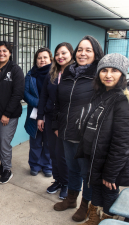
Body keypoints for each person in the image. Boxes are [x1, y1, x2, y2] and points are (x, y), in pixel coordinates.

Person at [52, 35, 104, 222]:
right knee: (72, 168)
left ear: (96, 53)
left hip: (87, 134)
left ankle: (86, 205)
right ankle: (72, 199)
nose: (83, 53)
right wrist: (57, 124)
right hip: (66, 130)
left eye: (88, 50)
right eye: (80, 50)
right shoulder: (67, 73)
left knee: (86, 173)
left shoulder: (100, 75)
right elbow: (58, 102)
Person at [76, 53, 129, 225]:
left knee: (108, 192)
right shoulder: (101, 95)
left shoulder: (122, 101)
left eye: (114, 70)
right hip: (96, 159)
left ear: (122, 74)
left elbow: (122, 143)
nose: (108, 75)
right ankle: (94, 218)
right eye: (104, 70)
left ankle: (107, 219)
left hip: (110, 164)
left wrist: (111, 173)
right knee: (96, 189)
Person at [37, 43, 73, 199]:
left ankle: (66, 184)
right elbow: (43, 96)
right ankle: (57, 180)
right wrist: (40, 117)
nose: (60, 56)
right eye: (58, 53)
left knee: (63, 155)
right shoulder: (51, 73)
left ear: (71, 54)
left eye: (63, 53)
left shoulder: (74, 74)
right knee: (53, 153)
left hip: (66, 120)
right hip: (50, 118)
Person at [0, 41, 24, 184]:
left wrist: (7, 113)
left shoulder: (15, 69)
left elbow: (18, 93)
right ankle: (3, 163)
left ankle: (7, 169)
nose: (1, 53)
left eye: (4, 51)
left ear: (9, 53)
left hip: (7, 114)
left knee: (4, 141)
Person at [24, 47, 53, 177]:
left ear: (50, 59)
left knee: (48, 142)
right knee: (35, 141)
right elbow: (24, 93)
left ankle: (48, 166)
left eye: (45, 57)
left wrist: (46, 105)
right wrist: (39, 103)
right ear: (36, 60)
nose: (42, 60)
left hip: (51, 113)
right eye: (39, 58)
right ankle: (35, 165)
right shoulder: (30, 75)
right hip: (34, 114)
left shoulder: (56, 75)